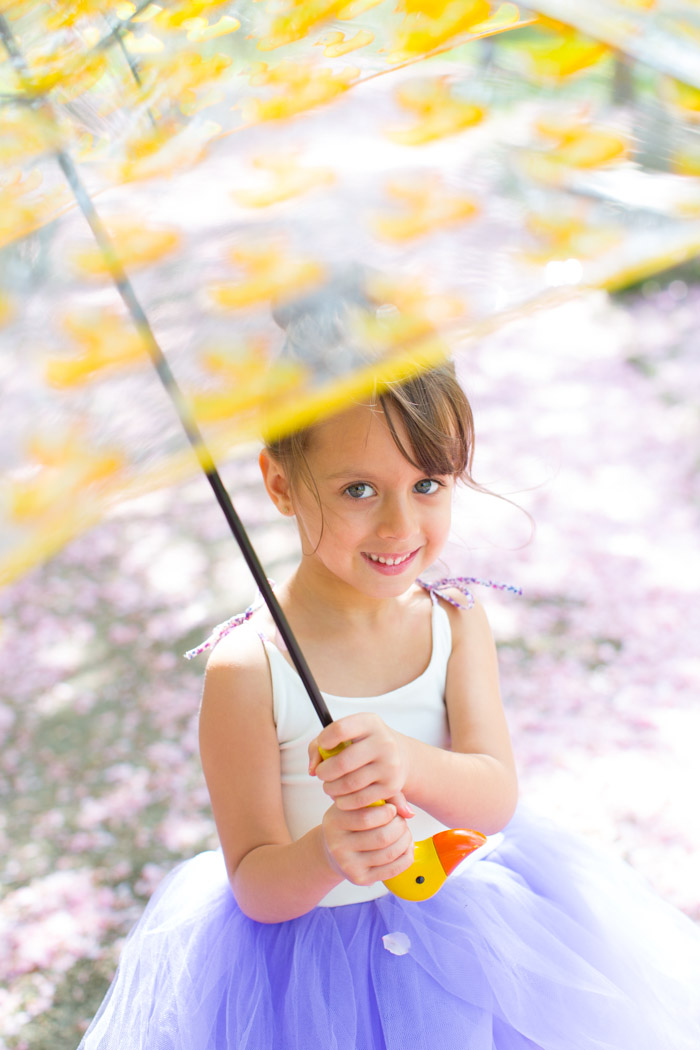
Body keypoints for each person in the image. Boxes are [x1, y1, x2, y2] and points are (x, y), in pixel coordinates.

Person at [79, 279, 700, 1050]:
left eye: (428, 484)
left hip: (471, 932)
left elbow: (494, 797)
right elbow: (256, 883)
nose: (400, 524)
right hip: (309, 980)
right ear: (279, 483)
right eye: (359, 489)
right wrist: (328, 850)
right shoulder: (249, 669)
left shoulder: (453, 621)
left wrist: (405, 758)